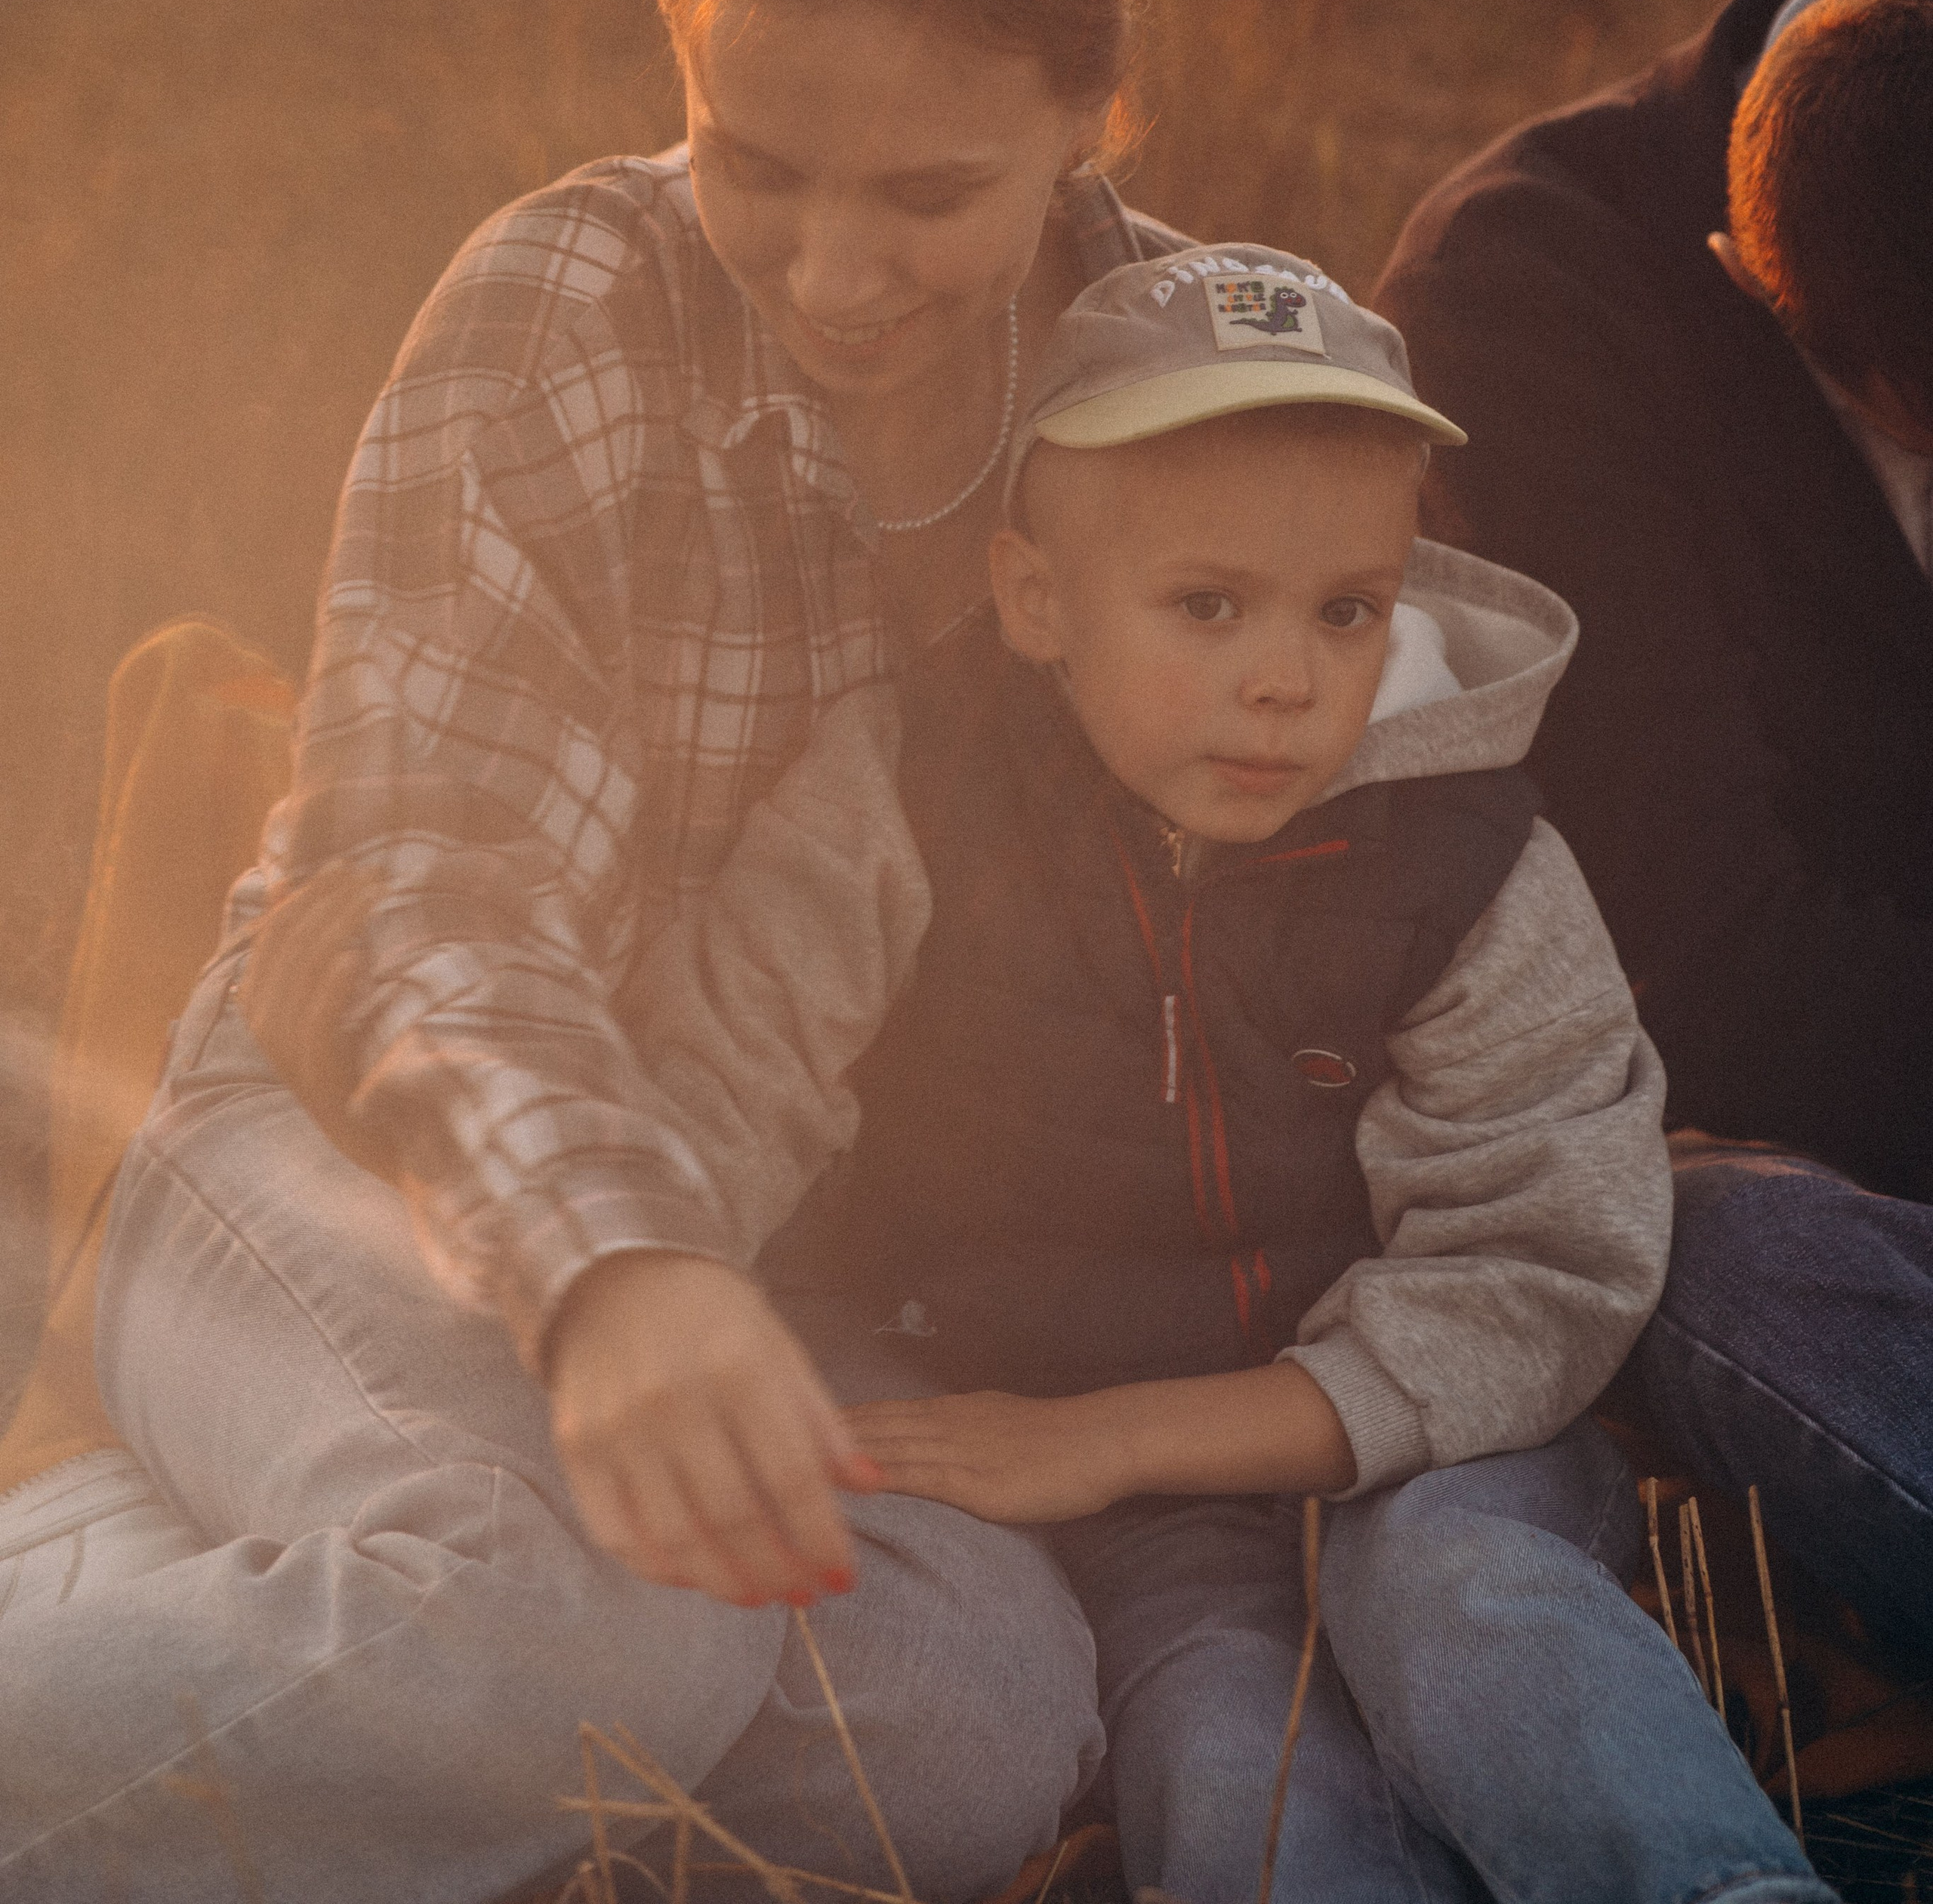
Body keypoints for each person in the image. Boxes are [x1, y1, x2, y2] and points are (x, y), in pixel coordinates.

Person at [0, 0, 1182, 1902]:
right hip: (347, 1163)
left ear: (1094, 116)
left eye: (930, 193)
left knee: (965, 1740)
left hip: (804, 1287)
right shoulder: (564, 307)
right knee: (579, 1624)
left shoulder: (1172, 378)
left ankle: (135, 1590)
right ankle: (348, 1599)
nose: (832, 271)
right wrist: (615, 1266)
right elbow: (430, 889)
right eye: (757, 162)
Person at [548, 245, 1832, 1904]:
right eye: (1205, 607)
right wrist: (621, 1307)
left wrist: (1116, 1438)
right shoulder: (910, 800)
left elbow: (1536, 1256)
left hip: (1427, 1446)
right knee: (1234, 1745)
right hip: (1118, 1491)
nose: (1285, 679)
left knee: (1461, 1610)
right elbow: (723, 1089)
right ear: (1034, 601)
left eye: (1345, 610)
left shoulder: (1462, 851)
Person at [1373, 0, 1933, 1662]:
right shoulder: (1528, 308)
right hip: (1815, 1140)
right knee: (1713, 1262)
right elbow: (1707, 951)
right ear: (1753, 296)